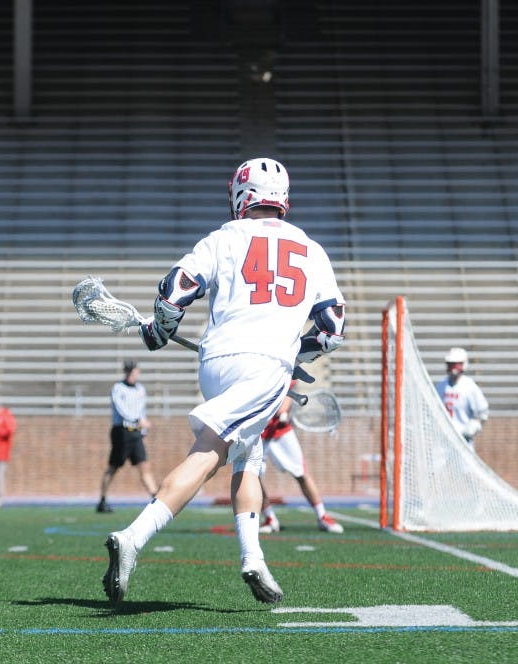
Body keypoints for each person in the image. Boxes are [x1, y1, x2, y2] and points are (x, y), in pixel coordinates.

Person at [102, 157, 346, 606]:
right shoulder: (310, 248)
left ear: (240, 194)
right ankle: (134, 537)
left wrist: (158, 330)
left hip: (215, 362)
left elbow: (174, 289)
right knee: (211, 452)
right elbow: (332, 326)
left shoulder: (223, 237)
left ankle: (253, 557)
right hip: (265, 365)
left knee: (248, 457)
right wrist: (297, 352)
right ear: (283, 198)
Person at [255, 381, 344, 534]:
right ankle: (270, 518)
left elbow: (288, 388)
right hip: (255, 431)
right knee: (252, 476)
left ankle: (322, 516)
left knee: (301, 474)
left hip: (279, 430)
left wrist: (282, 411)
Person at [97, 360, 158, 513]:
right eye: (129, 371)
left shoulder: (140, 389)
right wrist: (138, 420)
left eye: (134, 371)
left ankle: (157, 500)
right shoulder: (118, 388)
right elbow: (121, 410)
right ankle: (102, 500)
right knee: (114, 467)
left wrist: (143, 431)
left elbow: (141, 410)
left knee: (144, 465)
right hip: (121, 432)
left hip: (135, 433)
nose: (131, 374)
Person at [435, 347, 489, 449]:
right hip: (442, 443)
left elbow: (483, 413)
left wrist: (474, 425)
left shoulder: (469, 387)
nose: (453, 368)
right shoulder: (440, 386)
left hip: (463, 443)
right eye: (451, 364)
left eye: (456, 364)